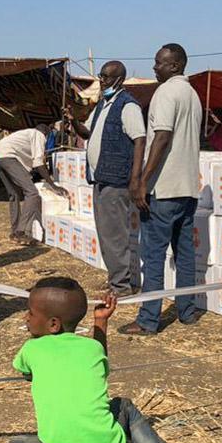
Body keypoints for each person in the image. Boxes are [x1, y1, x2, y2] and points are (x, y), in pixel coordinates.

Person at [6, 277, 195, 443]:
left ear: (53, 324)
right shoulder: (91, 348)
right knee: (123, 405)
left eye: (30, 313)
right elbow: (99, 364)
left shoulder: (31, 349)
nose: (26, 318)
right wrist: (100, 322)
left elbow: (26, 372)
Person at [119, 43, 205, 335]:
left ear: (175, 65)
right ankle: (187, 310)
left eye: (159, 63)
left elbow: (162, 137)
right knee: (184, 255)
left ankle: (148, 320)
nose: (154, 67)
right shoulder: (192, 95)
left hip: (164, 188)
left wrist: (142, 180)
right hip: (187, 188)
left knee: (153, 255)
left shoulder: (166, 93)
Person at [65, 60, 146, 296]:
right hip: (100, 179)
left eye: (106, 77)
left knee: (115, 235)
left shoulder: (127, 106)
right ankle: (116, 280)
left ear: (119, 79)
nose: (102, 81)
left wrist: (135, 178)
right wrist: (74, 121)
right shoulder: (103, 104)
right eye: (101, 76)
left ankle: (121, 286)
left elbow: (139, 139)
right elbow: (87, 133)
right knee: (106, 234)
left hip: (116, 179)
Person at [0, 124, 58, 245]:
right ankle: (21, 232)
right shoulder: (39, 135)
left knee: (14, 194)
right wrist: (53, 185)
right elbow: (38, 163)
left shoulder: (27, 133)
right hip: (8, 156)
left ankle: (15, 231)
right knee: (32, 193)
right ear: (47, 131)